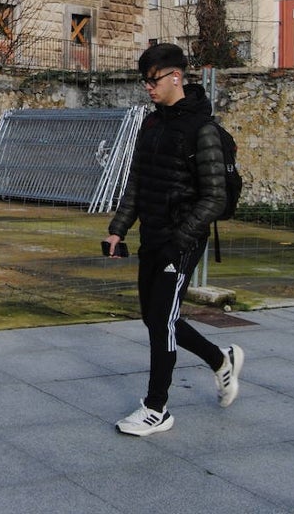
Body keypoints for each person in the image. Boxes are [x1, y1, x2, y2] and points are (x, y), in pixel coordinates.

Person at [104, 43, 244, 436]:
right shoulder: (152, 124)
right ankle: (220, 360)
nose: (148, 87)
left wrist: (179, 239)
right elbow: (138, 180)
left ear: (176, 77)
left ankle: (156, 408)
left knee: (161, 321)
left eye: (153, 80)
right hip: (153, 233)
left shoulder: (203, 131)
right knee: (156, 318)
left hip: (181, 240)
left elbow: (215, 196)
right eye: (144, 81)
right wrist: (119, 227)